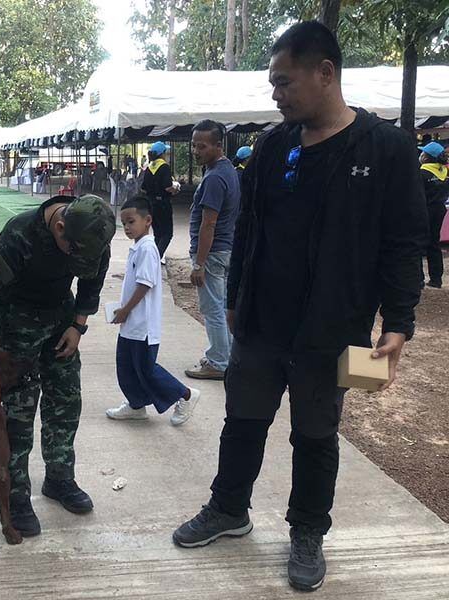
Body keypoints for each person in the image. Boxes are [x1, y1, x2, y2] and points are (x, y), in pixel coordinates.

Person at [171, 22, 428, 594]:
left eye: (284, 81)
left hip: (334, 329)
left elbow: (404, 243)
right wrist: (236, 299)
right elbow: (252, 227)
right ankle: (228, 509)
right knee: (242, 421)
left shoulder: (385, 149)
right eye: (272, 83)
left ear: (325, 73)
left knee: (316, 434)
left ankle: (308, 531)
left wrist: (400, 323)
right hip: (262, 323)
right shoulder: (274, 144)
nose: (276, 93)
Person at [0, 194, 116, 537]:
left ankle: (59, 479)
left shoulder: (93, 232)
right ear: (59, 227)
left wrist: (78, 325)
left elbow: (93, 277)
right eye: (72, 251)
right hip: (18, 322)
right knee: (18, 415)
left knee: (66, 402)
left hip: (61, 320)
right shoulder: (19, 235)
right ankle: (17, 495)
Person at [105, 196, 201, 426]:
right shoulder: (138, 246)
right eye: (124, 223)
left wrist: (126, 310)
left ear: (147, 220)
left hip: (142, 324)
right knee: (126, 366)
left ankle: (186, 395)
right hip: (131, 323)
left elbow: (145, 284)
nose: (127, 227)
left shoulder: (148, 248)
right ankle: (137, 405)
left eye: (131, 222)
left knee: (146, 369)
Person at [183, 120, 240, 381]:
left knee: (213, 308)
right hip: (224, 250)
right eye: (194, 145)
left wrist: (199, 264)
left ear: (218, 145)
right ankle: (226, 357)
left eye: (202, 146)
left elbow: (209, 223)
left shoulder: (216, 177)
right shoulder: (226, 171)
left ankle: (218, 361)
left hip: (213, 253)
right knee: (222, 305)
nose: (196, 151)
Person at [417, 140, 449, 288]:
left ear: (427, 157)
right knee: (434, 244)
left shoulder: (421, 173)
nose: (421, 154)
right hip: (440, 210)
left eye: (423, 152)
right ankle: (436, 279)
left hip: (423, 211)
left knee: (417, 244)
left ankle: (418, 279)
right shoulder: (444, 172)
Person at [141, 141, 178, 262]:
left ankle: (153, 257)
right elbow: (168, 187)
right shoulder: (164, 167)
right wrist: (175, 189)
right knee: (167, 234)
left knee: (157, 234)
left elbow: (143, 188)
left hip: (151, 204)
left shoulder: (149, 168)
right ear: (162, 154)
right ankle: (155, 259)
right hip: (163, 204)